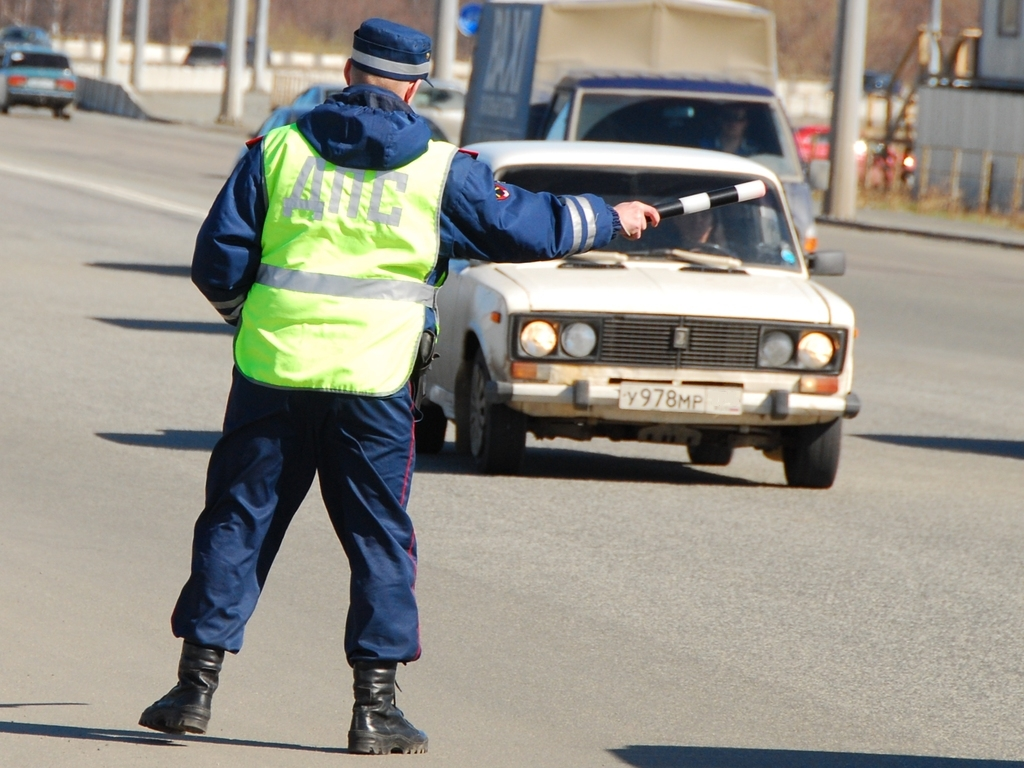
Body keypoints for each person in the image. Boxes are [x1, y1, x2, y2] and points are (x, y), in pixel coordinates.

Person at [137, 17, 659, 756]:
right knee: (379, 540)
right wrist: (611, 216)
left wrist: (253, 321)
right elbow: (530, 230)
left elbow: (216, 264)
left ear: (348, 74)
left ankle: (192, 691)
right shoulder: (442, 168)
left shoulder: (278, 150)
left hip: (272, 375)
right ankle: (374, 713)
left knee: (237, 524)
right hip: (376, 385)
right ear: (413, 88)